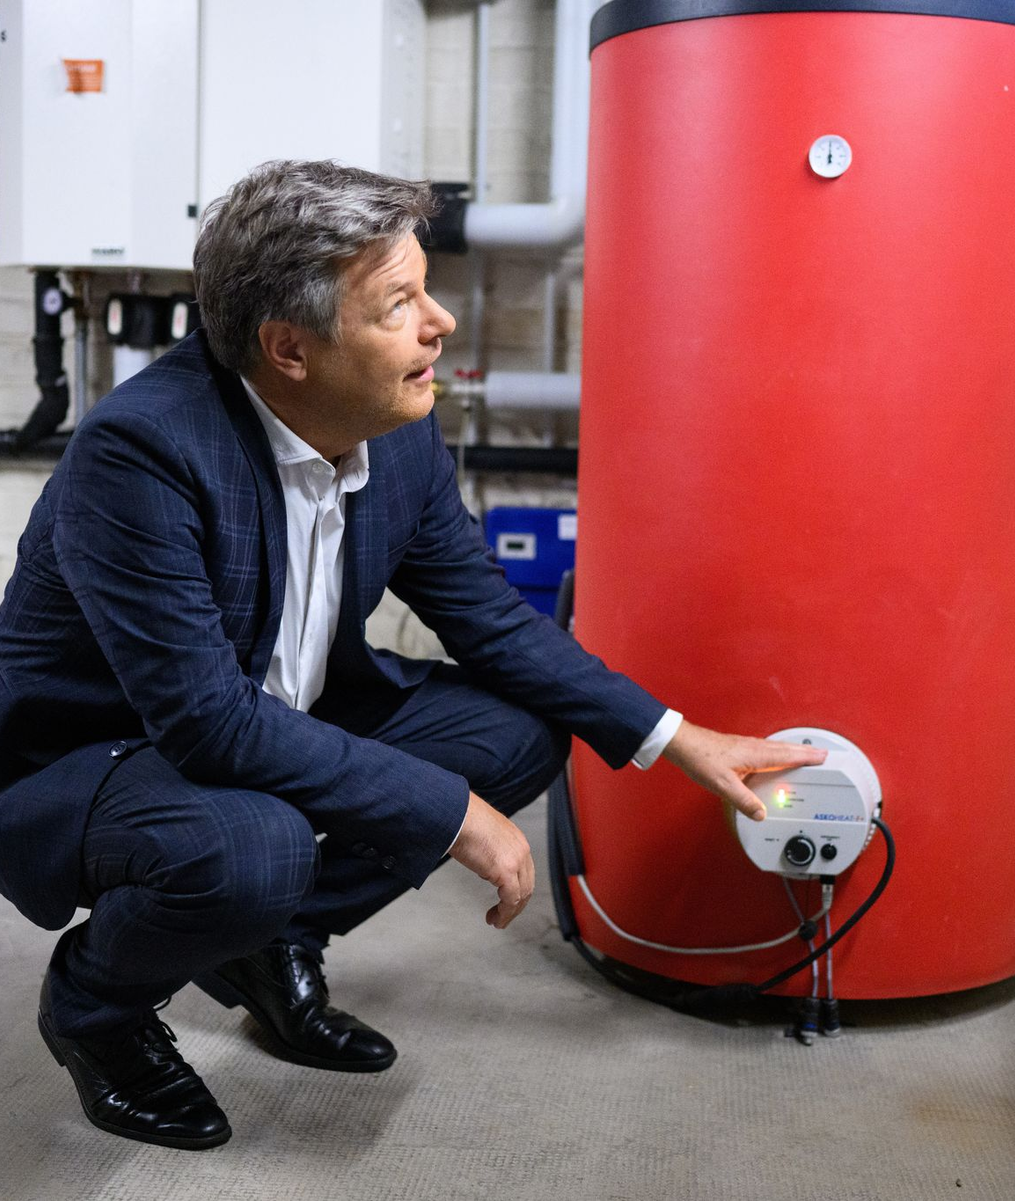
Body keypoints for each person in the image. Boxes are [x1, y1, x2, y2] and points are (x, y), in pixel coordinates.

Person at [0, 160, 825, 1150]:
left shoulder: (388, 431)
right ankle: (97, 1006)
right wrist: (448, 813)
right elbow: (206, 720)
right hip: (98, 760)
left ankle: (273, 945)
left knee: (515, 733)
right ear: (289, 347)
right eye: (401, 305)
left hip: (271, 719)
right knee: (250, 844)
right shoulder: (144, 453)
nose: (440, 323)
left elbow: (490, 619)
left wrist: (675, 736)